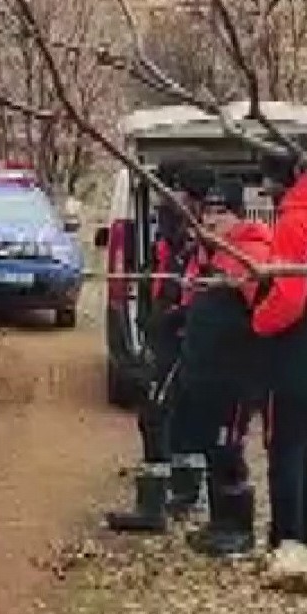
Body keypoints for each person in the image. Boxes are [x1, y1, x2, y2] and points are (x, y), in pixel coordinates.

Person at [191, 151, 307, 595]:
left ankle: (288, 544)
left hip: (293, 356)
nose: (269, 196)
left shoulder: (296, 220)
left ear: (287, 181)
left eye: (271, 187)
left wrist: (257, 324)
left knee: (285, 450)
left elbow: (288, 297)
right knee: (306, 449)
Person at [104, 162, 211, 533]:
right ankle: (180, 493)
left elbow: (193, 285)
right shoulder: (178, 231)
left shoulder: (199, 236)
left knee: (155, 412)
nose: (163, 201)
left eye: (171, 190)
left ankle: (155, 507)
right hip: (167, 330)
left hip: (179, 335)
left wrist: (174, 317)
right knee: (175, 413)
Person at [175, 178, 270, 558]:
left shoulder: (252, 253)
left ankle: (238, 530)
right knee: (213, 449)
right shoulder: (210, 254)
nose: (212, 219)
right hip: (206, 371)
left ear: (237, 215)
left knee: (228, 446)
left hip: (235, 373)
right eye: (208, 212)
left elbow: (265, 311)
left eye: (220, 212)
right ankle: (219, 523)